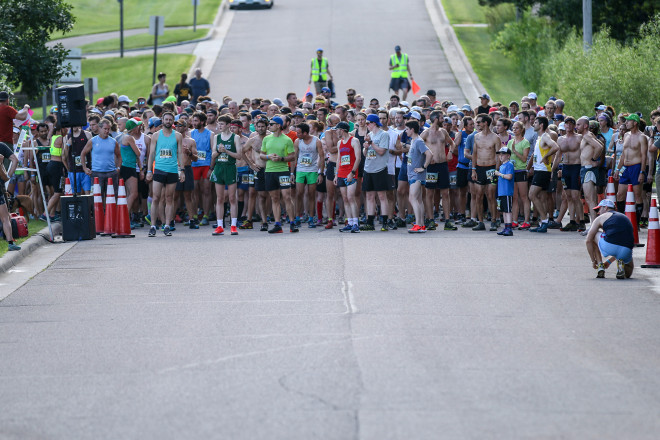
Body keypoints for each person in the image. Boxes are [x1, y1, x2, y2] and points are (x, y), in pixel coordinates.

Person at [145, 112, 184, 237]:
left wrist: (182, 170)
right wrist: (149, 171)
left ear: (173, 121)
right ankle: (152, 226)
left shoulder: (177, 136)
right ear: (162, 120)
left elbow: (180, 154)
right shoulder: (156, 136)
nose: (168, 121)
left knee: (169, 198)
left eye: (170, 119)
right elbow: (151, 154)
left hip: (172, 170)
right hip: (159, 169)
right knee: (156, 197)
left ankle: (167, 225)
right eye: (166, 119)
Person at [260, 116, 297, 234]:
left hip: (283, 170)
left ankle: (292, 222)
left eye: (271, 124)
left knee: (286, 196)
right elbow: (261, 155)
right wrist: (268, 157)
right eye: (269, 124)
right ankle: (277, 224)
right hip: (270, 171)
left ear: (278, 126)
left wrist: (281, 158)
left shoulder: (287, 140)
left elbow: (292, 156)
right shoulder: (266, 139)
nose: (269, 126)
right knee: (274, 198)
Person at [421, 111, 457, 231]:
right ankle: (430, 219)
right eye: (442, 118)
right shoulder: (426, 133)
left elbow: (452, 143)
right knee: (429, 193)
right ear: (436, 118)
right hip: (432, 166)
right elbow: (417, 147)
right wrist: (426, 160)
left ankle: (447, 221)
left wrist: (451, 153)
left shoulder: (443, 132)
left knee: (445, 193)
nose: (444, 120)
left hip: (443, 165)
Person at [586, 199, 635, 279]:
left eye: (599, 209)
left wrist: (593, 261)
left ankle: (600, 266)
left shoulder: (601, 217)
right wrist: (609, 262)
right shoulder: (624, 217)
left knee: (593, 235)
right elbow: (621, 243)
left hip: (610, 246)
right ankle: (620, 263)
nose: (598, 212)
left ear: (605, 208)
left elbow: (588, 240)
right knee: (628, 274)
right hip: (627, 249)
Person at [208, 115, 240, 236]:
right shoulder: (216, 137)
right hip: (219, 168)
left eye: (221, 124)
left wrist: (226, 151)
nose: (219, 126)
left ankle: (233, 225)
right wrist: (219, 151)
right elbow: (213, 155)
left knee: (232, 198)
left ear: (228, 125)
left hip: (230, 168)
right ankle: (220, 226)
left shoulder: (235, 137)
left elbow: (239, 155)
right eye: (218, 124)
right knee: (220, 198)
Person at [360, 114, 391, 231]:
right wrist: (366, 147)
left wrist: (371, 143)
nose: (366, 125)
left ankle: (385, 222)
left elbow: (382, 151)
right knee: (369, 196)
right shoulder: (370, 135)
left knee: (382, 196)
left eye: (368, 123)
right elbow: (364, 154)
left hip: (380, 168)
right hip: (368, 168)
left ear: (374, 123)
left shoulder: (384, 134)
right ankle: (370, 222)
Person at [614, 114, 648, 222]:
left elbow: (644, 156)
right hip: (625, 167)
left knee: (637, 195)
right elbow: (623, 154)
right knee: (620, 194)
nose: (626, 123)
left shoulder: (642, 137)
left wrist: (642, 172)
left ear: (635, 123)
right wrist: (618, 169)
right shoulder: (626, 135)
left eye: (629, 121)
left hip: (636, 166)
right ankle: (621, 220)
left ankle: (636, 223)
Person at [471, 114, 500, 231]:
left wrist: (496, 170)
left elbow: (498, 156)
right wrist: (473, 169)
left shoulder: (495, 138)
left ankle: (493, 220)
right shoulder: (476, 136)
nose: (477, 124)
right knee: (478, 196)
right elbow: (474, 154)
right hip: (479, 168)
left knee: (491, 195)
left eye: (479, 122)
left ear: (486, 123)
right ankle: (480, 222)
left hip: (491, 168)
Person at [293, 122, 324, 227]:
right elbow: (294, 157)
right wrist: (292, 172)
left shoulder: (317, 141)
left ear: (305, 133)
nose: (297, 134)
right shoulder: (297, 141)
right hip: (300, 170)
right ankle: (298, 217)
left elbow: (322, 157)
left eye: (299, 132)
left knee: (311, 195)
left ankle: (311, 218)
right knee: (299, 193)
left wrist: (320, 173)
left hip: (312, 170)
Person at [333, 121, 362, 232]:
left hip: (351, 172)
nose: (336, 132)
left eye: (337, 129)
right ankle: (349, 222)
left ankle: (355, 223)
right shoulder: (340, 143)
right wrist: (336, 174)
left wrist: (353, 172)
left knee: (351, 197)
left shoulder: (354, 140)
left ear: (342, 130)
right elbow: (338, 159)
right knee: (345, 198)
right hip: (341, 173)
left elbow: (358, 158)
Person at [405, 120, 432, 233]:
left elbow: (429, 154)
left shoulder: (419, 141)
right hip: (412, 174)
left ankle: (418, 224)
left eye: (407, 129)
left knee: (413, 198)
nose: (405, 131)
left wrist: (423, 167)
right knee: (419, 200)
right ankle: (421, 224)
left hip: (416, 175)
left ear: (412, 129)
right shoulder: (413, 141)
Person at [190, 111, 213, 226]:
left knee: (206, 190)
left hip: (206, 164)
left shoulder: (210, 134)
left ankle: (206, 215)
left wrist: (211, 168)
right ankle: (194, 215)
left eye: (196, 121)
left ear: (202, 122)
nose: (194, 123)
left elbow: (213, 152)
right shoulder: (191, 133)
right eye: (193, 121)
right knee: (194, 190)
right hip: (194, 165)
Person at [0, 140, 20, 250]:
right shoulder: (1, 146)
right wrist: (8, 175)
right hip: (0, 186)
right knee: (5, 217)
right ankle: (10, 243)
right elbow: (15, 160)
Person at [62, 125, 92, 195]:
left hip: (86, 170)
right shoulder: (66, 138)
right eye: (72, 124)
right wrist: (67, 145)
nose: (74, 126)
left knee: (88, 194)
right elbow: (64, 157)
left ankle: (87, 206)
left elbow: (93, 152)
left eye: (75, 124)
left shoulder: (87, 134)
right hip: (73, 171)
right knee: (76, 195)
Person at [494, 147, 514, 236]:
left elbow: (509, 176)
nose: (501, 156)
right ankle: (506, 227)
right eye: (500, 154)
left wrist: (499, 174)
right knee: (504, 211)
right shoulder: (502, 166)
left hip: (507, 191)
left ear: (508, 156)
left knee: (508, 210)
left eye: (503, 154)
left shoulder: (509, 165)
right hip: (501, 191)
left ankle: (509, 228)